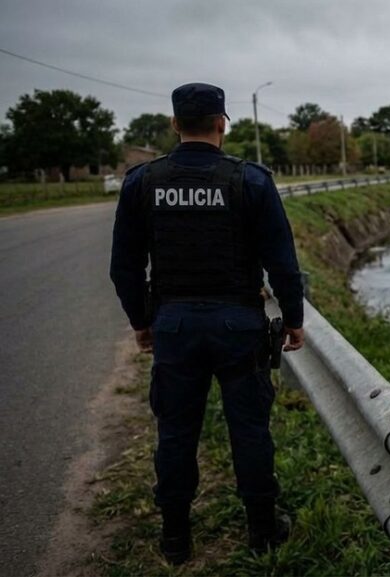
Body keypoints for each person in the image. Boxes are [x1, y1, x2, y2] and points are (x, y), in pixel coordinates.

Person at [109, 82, 305, 565]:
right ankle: (262, 530)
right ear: (222, 123)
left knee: (175, 432)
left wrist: (142, 322)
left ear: (175, 125)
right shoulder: (251, 180)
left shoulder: (143, 181)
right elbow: (283, 262)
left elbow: (124, 266)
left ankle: (176, 538)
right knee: (250, 429)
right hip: (239, 325)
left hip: (173, 326)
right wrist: (294, 319)